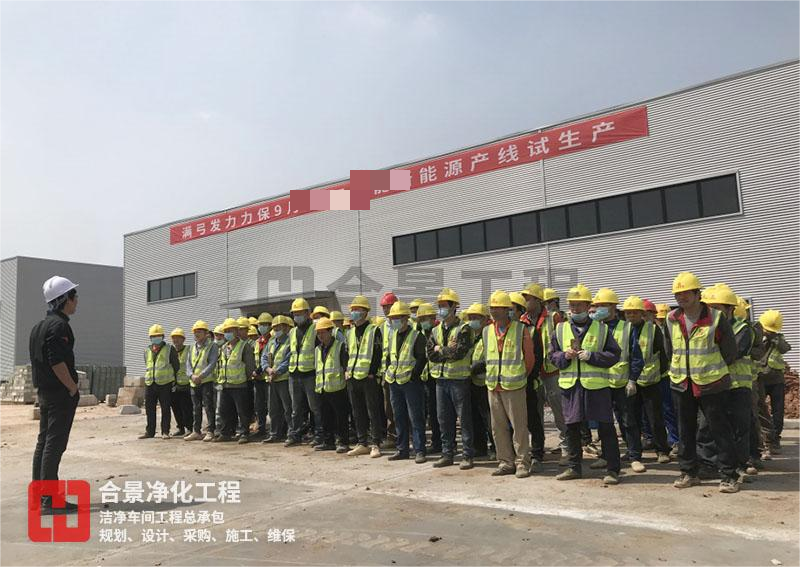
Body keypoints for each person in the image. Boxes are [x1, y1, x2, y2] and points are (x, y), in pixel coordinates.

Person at [666, 272, 740, 493]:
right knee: (685, 431)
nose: (681, 297)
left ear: (698, 294)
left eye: (686, 293)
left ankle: (729, 476)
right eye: (678, 294)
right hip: (681, 383)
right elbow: (669, 350)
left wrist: (709, 369)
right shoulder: (671, 319)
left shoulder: (716, 318)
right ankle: (689, 472)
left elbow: (730, 352)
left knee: (720, 430)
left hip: (712, 383)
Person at [550, 284, 622, 485]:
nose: (575, 309)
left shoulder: (602, 329)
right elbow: (552, 356)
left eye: (579, 305)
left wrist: (592, 356)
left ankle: (613, 469)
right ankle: (574, 467)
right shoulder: (560, 329)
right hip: (571, 387)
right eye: (572, 305)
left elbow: (614, 355)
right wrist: (564, 356)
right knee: (572, 428)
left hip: (596, 386)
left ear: (588, 306)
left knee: (606, 428)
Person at [30, 276, 81, 514]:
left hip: (45, 392)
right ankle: (49, 500)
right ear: (64, 299)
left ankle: (40, 496)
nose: (76, 300)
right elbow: (57, 362)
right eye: (74, 296)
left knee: (44, 443)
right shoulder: (59, 327)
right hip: (60, 394)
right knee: (54, 445)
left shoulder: (38, 327)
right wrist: (72, 387)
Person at [592, 288, 646, 474]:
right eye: (598, 305)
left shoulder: (627, 327)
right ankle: (606, 456)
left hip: (622, 383)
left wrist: (633, 379)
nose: (600, 308)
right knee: (603, 422)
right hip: (600, 383)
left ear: (614, 307)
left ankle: (634, 456)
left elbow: (636, 356)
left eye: (604, 305)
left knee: (628, 421)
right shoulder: (594, 328)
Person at [482, 291, 535, 478]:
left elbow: (529, 359)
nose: (494, 311)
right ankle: (505, 461)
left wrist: (519, 376)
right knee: (498, 427)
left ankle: (522, 462)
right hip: (493, 386)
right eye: (492, 308)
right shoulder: (487, 331)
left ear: (507, 310)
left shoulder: (521, 330)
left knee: (519, 427)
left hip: (514, 386)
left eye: (498, 308)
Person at [426, 288, 475, 470]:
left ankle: (467, 455)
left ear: (454, 307)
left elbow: (459, 353)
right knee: (443, 419)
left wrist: (441, 349)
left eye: (444, 305)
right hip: (440, 380)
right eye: (439, 306)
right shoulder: (435, 330)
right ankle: (447, 454)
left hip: (459, 380)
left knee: (464, 419)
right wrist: (446, 350)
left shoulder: (464, 329)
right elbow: (431, 354)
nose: (441, 309)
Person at [622, 296, 671, 464]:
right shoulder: (624, 330)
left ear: (642, 313)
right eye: (628, 313)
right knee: (632, 419)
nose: (631, 316)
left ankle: (662, 450)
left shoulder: (653, 329)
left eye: (634, 312)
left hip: (650, 380)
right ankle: (634, 452)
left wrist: (660, 374)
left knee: (655, 418)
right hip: (629, 381)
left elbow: (662, 353)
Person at [384, 301, 429, 463]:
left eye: (397, 318)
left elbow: (422, 358)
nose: (393, 321)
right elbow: (389, 357)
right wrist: (389, 372)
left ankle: (419, 450)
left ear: (405, 318)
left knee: (415, 417)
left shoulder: (417, 336)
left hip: (411, 384)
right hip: (395, 382)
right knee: (399, 417)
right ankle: (402, 449)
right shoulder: (393, 336)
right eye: (392, 318)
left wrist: (413, 376)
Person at [344, 295, 384, 457]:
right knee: (357, 412)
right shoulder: (350, 332)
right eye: (352, 310)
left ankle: (375, 444)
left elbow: (378, 352)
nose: (354, 312)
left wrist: (372, 372)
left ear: (365, 312)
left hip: (368, 378)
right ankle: (362, 443)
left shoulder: (374, 330)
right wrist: (346, 370)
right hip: (353, 377)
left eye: (357, 310)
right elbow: (347, 353)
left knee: (372, 411)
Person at [285, 298, 323, 447]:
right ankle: (295, 434)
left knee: (315, 408)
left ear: (308, 313)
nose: (297, 316)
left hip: (310, 374)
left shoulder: (315, 328)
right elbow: (290, 352)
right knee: (295, 408)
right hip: (294, 374)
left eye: (300, 313)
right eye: (295, 314)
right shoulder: (292, 332)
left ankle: (319, 435)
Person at [753, 309, 791, 457]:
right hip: (761, 378)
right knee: (761, 411)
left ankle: (775, 439)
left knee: (778, 411)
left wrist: (774, 339)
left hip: (776, 380)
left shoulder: (778, 339)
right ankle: (765, 440)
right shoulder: (756, 336)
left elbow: (785, 348)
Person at [214, 317, 255, 444]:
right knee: (225, 411)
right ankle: (226, 433)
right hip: (225, 384)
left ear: (237, 331)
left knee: (242, 411)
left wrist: (246, 378)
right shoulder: (224, 348)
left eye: (230, 330)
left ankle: (244, 433)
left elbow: (250, 366)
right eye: (226, 331)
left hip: (240, 384)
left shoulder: (244, 346)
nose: (228, 333)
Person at [314, 317, 351, 453]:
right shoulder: (318, 349)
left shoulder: (340, 346)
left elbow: (345, 366)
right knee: (325, 417)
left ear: (330, 332)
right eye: (318, 333)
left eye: (323, 332)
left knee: (341, 418)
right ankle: (328, 441)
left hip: (337, 388)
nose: (320, 335)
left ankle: (343, 442)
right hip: (322, 388)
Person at [465, 303, 495, 460]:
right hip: (472, 382)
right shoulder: (470, 336)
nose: (472, 320)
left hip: (485, 382)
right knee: (475, 417)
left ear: (485, 319)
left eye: (476, 317)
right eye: (470, 318)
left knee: (489, 418)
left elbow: (490, 357)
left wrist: (473, 368)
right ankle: (480, 447)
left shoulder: (489, 335)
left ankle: (495, 447)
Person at [140, 324, 178, 439]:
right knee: (149, 409)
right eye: (153, 336)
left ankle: (165, 431)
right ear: (150, 338)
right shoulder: (147, 350)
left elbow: (176, 366)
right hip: (150, 383)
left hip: (165, 384)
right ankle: (150, 432)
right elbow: (147, 364)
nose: (155, 338)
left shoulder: (169, 349)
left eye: (158, 336)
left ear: (162, 336)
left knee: (165, 408)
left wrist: (173, 380)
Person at [184, 320, 219, 441]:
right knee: (196, 408)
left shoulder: (212, 346)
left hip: (206, 381)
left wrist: (201, 376)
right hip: (194, 382)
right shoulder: (192, 347)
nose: (197, 334)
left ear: (206, 333)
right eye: (195, 332)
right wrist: (191, 375)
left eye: (199, 331)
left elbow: (212, 363)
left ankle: (210, 431)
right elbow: (188, 364)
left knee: (209, 407)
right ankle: (196, 431)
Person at [262, 315, 294, 443]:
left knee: (288, 408)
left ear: (286, 328)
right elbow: (264, 357)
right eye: (274, 327)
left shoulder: (290, 342)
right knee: (273, 409)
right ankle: (274, 433)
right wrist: (268, 369)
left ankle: (291, 433)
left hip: (284, 379)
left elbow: (289, 359)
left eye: (279, 327)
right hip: (272, 380)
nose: (276, 330)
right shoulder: (271, 342)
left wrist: (277, 371)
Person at [416, 303, 442, 454]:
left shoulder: (438, 333)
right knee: (430, 413)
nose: (423, 322)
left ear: (433, 318)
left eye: (426, 318)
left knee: (440, 413)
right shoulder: (419, 335)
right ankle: (436, 442)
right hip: (425, 378)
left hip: (438, 377)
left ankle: (444, 443)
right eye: (421, 319)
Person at [251, 313, 273, 439]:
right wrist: (254, 372)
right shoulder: (257, 342)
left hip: (268, 378)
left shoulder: (272, 341)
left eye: (265, 324)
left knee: (271, 406)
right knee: (259, 406)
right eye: (260, 325)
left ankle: (274, 429)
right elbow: (254, 360)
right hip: (257, 379)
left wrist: (259, 371)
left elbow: (267, 359)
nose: (262, 327)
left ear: (270, 326)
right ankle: (261, 428)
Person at [169, 327, 193, 437]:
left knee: (187, 407)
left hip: (186, 384)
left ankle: (189, 428)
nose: (176, 340)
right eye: (174, 338)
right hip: (174, 384)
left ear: (183, 339)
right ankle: (181, 428)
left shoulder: (189, 350)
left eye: (178, 338)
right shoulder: (170, 351)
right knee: (175, 407)